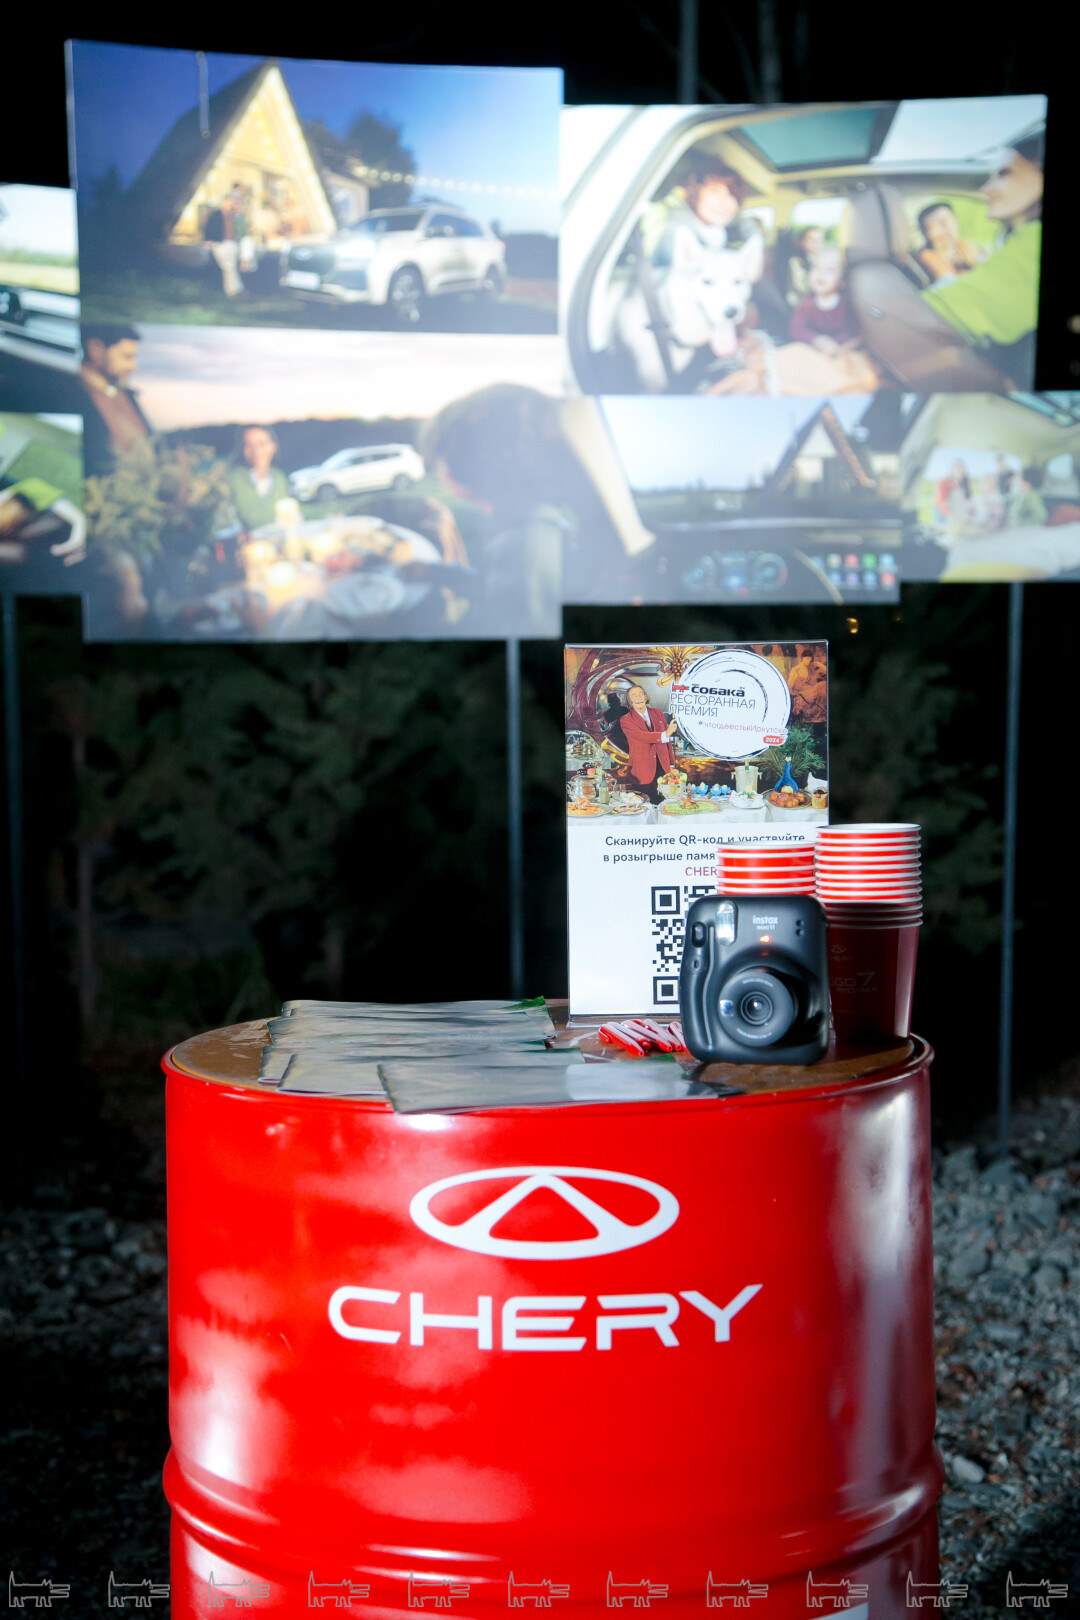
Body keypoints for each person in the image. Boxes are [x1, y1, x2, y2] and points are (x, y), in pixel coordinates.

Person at [922, 134, 1043, 374]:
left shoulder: (1029, 243)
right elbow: (938, 313)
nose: (985, 189)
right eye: (934, 225)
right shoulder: (929, 257)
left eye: (1005, 173)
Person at [78, 323, 152, 476]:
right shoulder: (77, 396)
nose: (134, 367)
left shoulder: (127, 394)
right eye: (127, 357)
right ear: (96, 349)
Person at [786, 246, 860, 352]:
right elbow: (796, 329)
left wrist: (835, 342)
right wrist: (815, 340)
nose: (821, 274)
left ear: (842, 281)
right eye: (816, 267)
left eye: (830, 270)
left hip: (838, 350)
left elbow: (852, 329)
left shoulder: (845, 303)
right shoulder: (807, 302)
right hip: (812, 351)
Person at [228, 426, 290, 531]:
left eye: (261, 443)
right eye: (248, 445)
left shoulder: (279, 477)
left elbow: (288, 511)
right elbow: (252, 520)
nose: (256, 450)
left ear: (273, 446)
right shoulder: (234, 478)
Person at [621, 685, 677, 802]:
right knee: (644, 805)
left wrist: (671, 765)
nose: (638, 698)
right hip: (642, 771)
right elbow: (641, 736)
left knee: (664, 802)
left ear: (646, 697)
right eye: (634, 696)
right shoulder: (626, 719)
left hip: (662, 767)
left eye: (641, 694)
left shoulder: (658, 712)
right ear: (630, 701)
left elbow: (667, 742)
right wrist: (664, 734)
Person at [915, 203, 981, 283]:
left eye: (943, 223)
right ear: (924, 233)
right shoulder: (927, 257)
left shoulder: (966, 247)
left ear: (956, 221)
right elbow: (949, 283)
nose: (938, 231)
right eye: (930, 227)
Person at [204, 195, 245, 297]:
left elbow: (242, 231)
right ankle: (235, 290)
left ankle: (234, 290)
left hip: (232, 244)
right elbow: (209, 229)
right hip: (220, 244)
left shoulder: (235, 217)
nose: (230, 205)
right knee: (229, 266)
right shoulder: (216, 215)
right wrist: (210, 241)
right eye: (229, 202)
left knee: (230, 266)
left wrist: (238, 215)